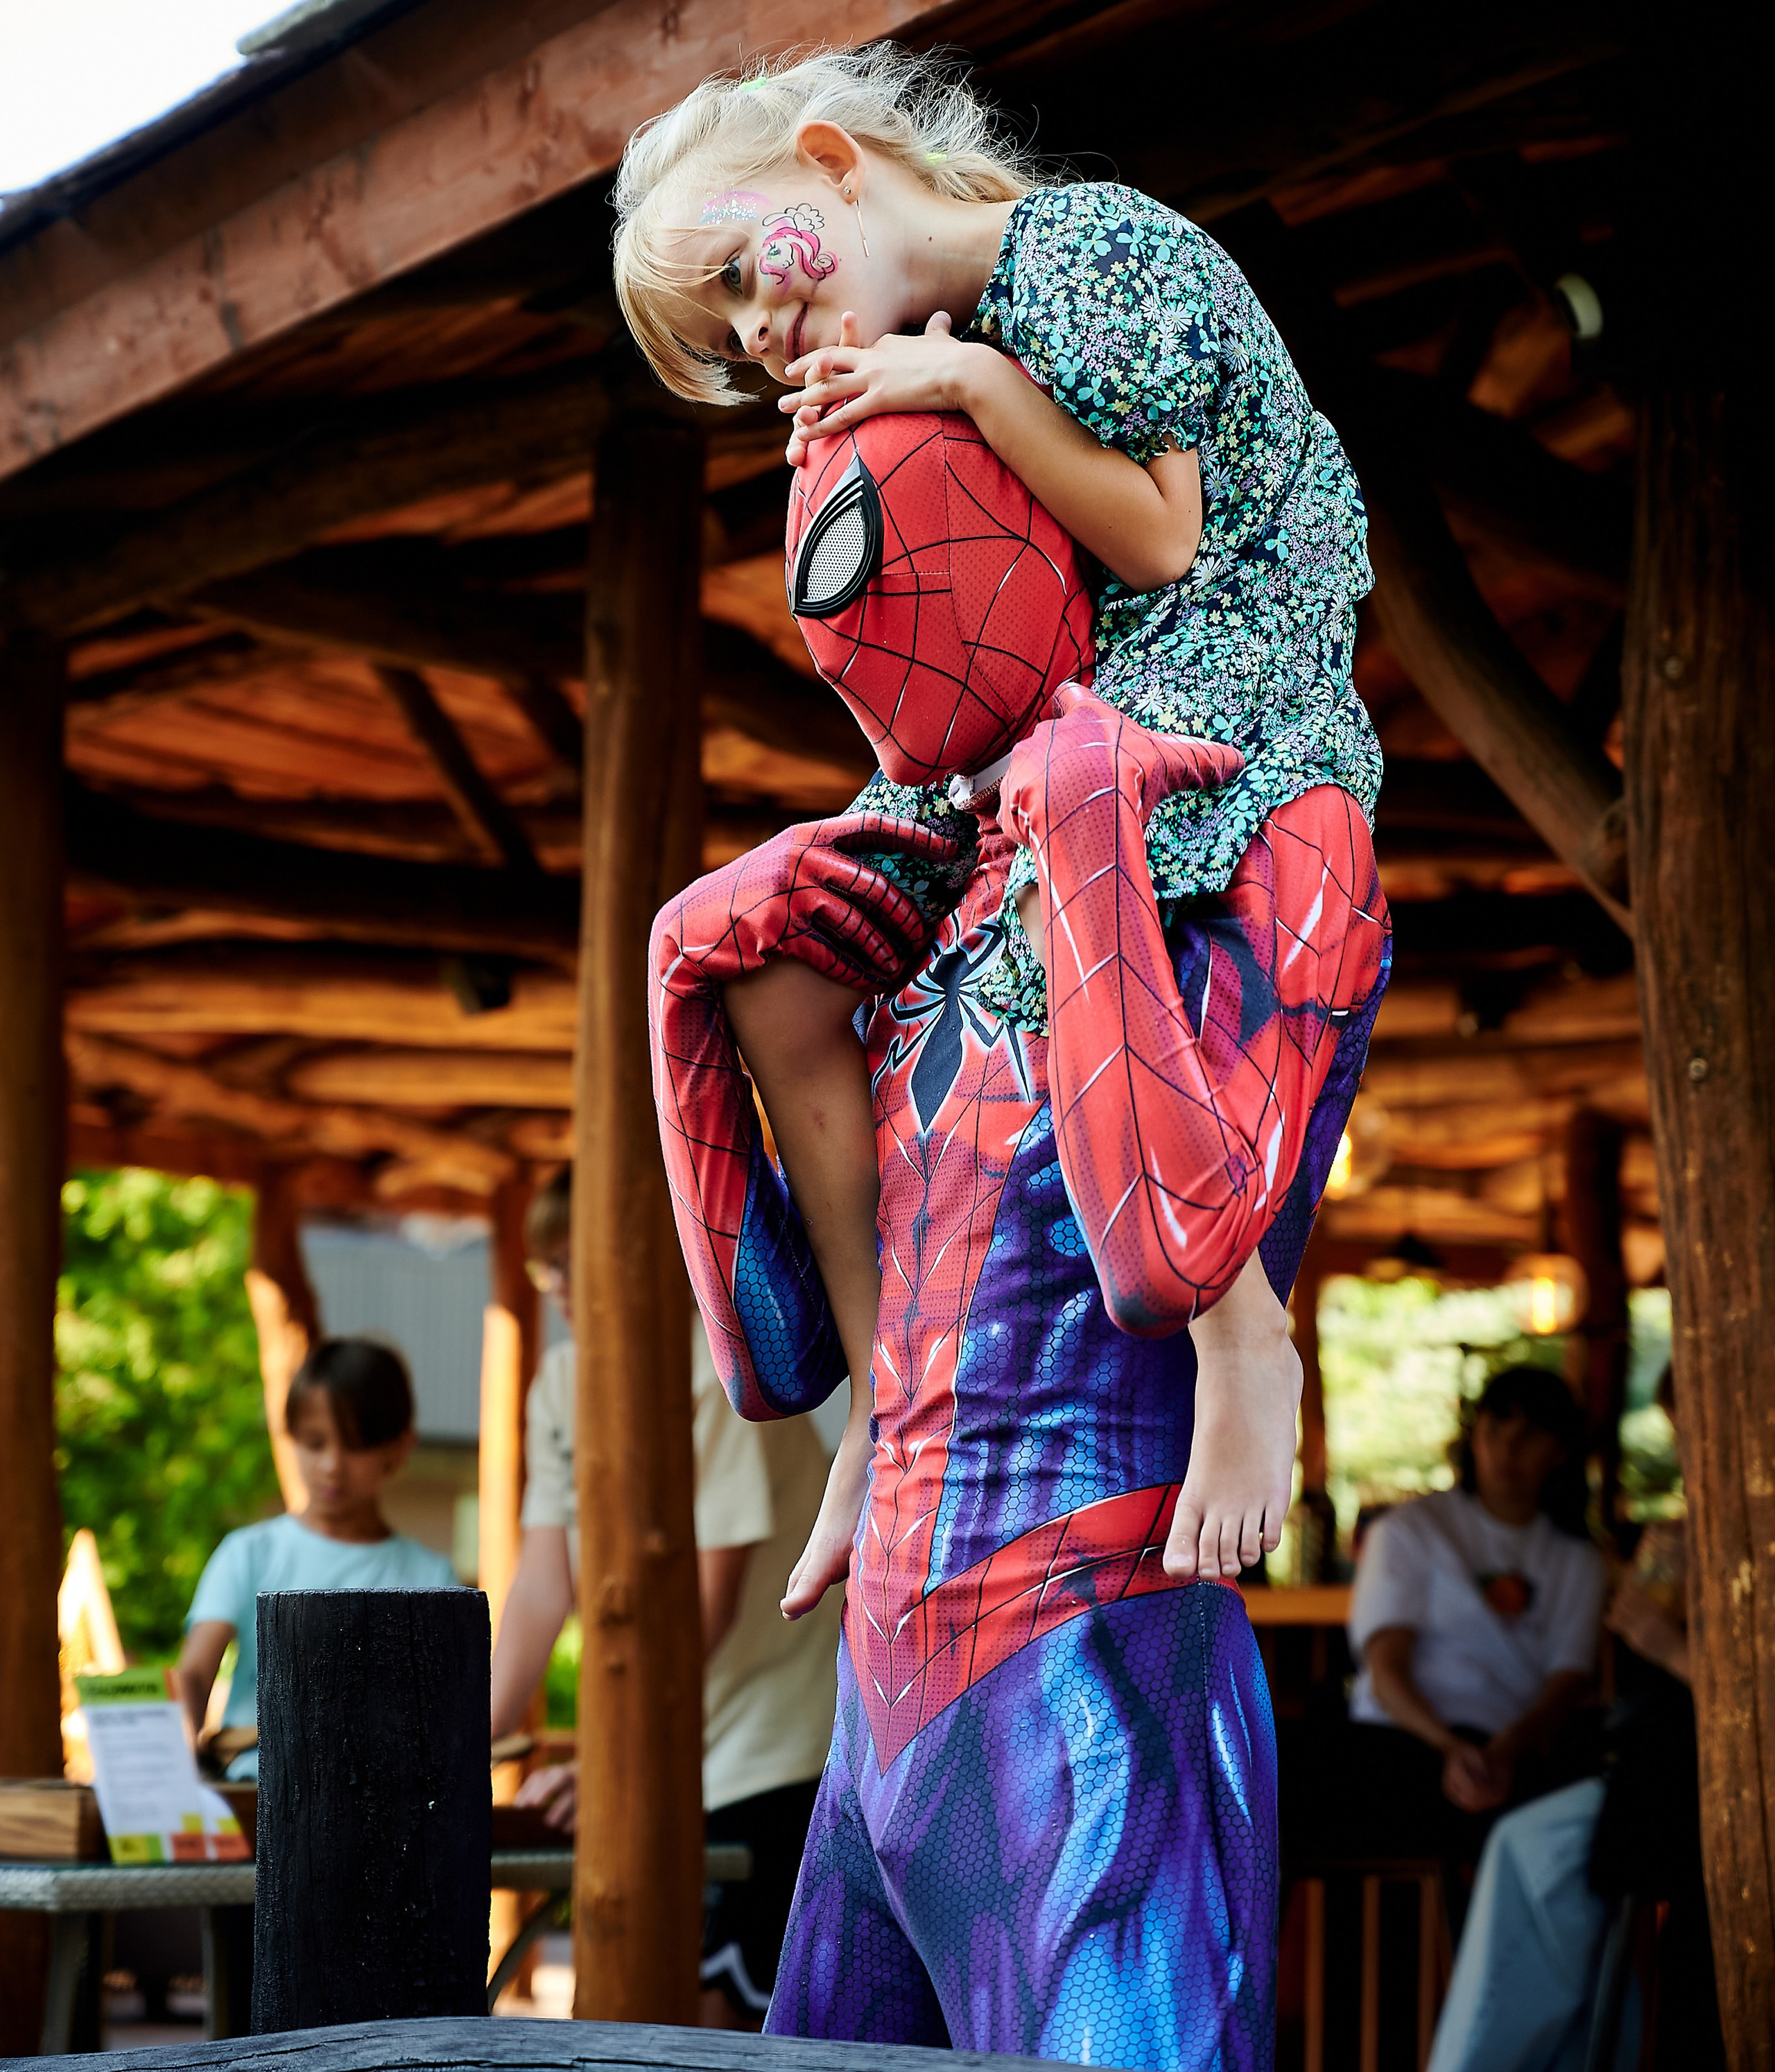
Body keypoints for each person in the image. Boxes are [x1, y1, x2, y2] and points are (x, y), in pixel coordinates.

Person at [649, 411, 1392, 2066]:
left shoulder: (1292, 841)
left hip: (1099, 1689)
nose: (870, 673)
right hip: (879, 1718)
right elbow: (778, 1361)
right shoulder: (942, 902)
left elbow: (1169, 1253)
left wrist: (1087, 850)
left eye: (904, 574)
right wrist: (685, 981)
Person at [614, 40, 1383, 1616]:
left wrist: (953, 384)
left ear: (832, 158)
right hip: (1049, 724)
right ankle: (878, 1394)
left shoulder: (1093, 248)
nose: (763, 334)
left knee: (1043, 882)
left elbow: (1162, 537)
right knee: (775, 959)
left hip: (1217, 692)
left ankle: (1239, 1327)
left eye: (748, 279)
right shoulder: (916, 352)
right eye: (735, 340)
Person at [487, 1174, 842, 2030]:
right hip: (669, 1747)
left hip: (768, 1752)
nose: (562, 1286)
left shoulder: (717, 1367)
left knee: (713, 2021)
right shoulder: (560, 1383)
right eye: (547, 1268)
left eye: (576, 1261)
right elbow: (540, 1588)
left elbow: (700, 1614)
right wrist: (455, 1752)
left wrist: (613, 1755)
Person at [1426, 1367, 1722, 2072]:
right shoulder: (1696, 1528)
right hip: (1654, 1771)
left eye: (1691, 1436)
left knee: (1535, 1857)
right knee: (1535, 1859)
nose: (1685, 1455)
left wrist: (1667, 1643)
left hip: (1696, 1789)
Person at [1336, 1365, 1607, 1868]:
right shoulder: (1408, 1531)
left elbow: (1567, 1681)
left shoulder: (1578, 1561)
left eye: (1528, 1437)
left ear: (1560, 1451)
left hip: (1514, 1748)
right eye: (1495, 1431)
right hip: (1399, 1738)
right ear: (1474, 1437)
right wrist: (1448, 1747)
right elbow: (1386, 1666)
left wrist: (1504, 1751)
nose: (1506, 1450)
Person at [177, 1337, 458, 1774]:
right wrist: (174, 1746)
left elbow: (437, 1710)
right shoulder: (248, 1554)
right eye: (314, 1443)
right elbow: (194, 1674)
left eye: (356, 1445)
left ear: (400, 1447)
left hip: (377, 1806)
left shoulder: (430, 1577)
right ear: (289, 1437)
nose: (332, 1465)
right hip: (253, 1791)